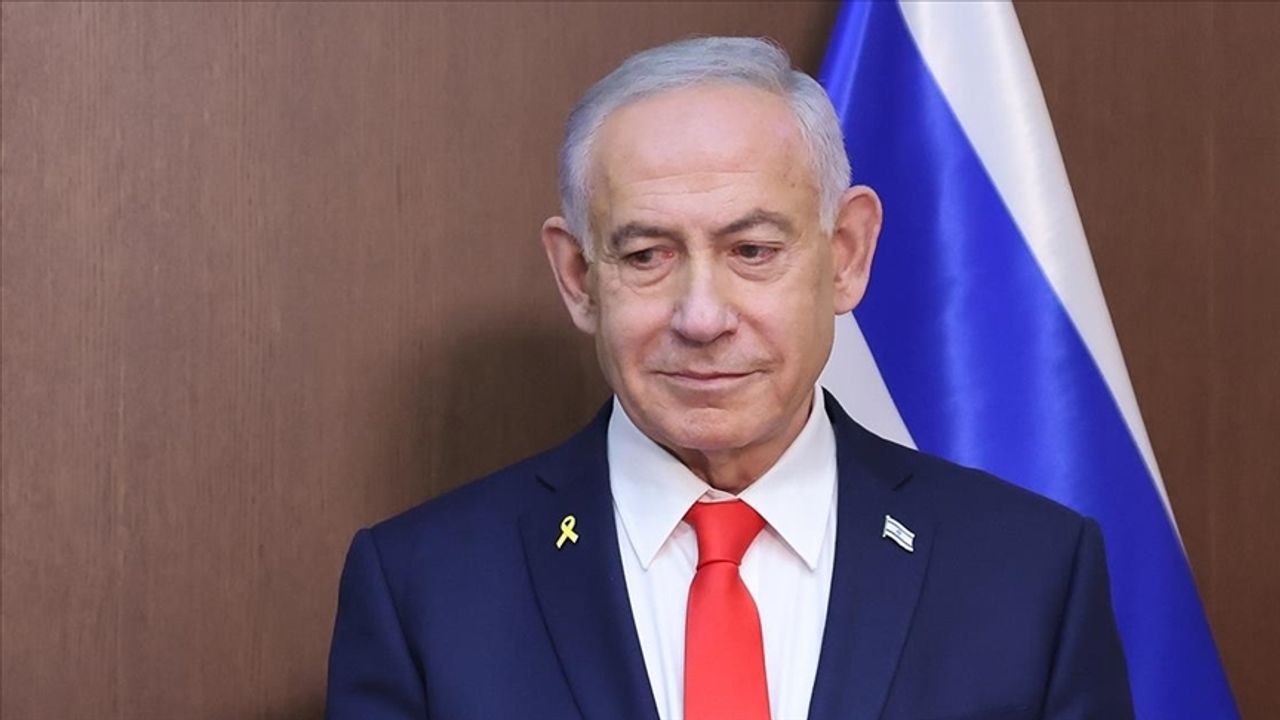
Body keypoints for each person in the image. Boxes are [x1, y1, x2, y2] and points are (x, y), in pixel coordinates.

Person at [325, 37, 1133, 720]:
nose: (702, 317)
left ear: (846, 255)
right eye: (647, 255)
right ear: (578, 278)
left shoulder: (1030, 574)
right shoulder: (421, 590)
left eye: (753, 251)